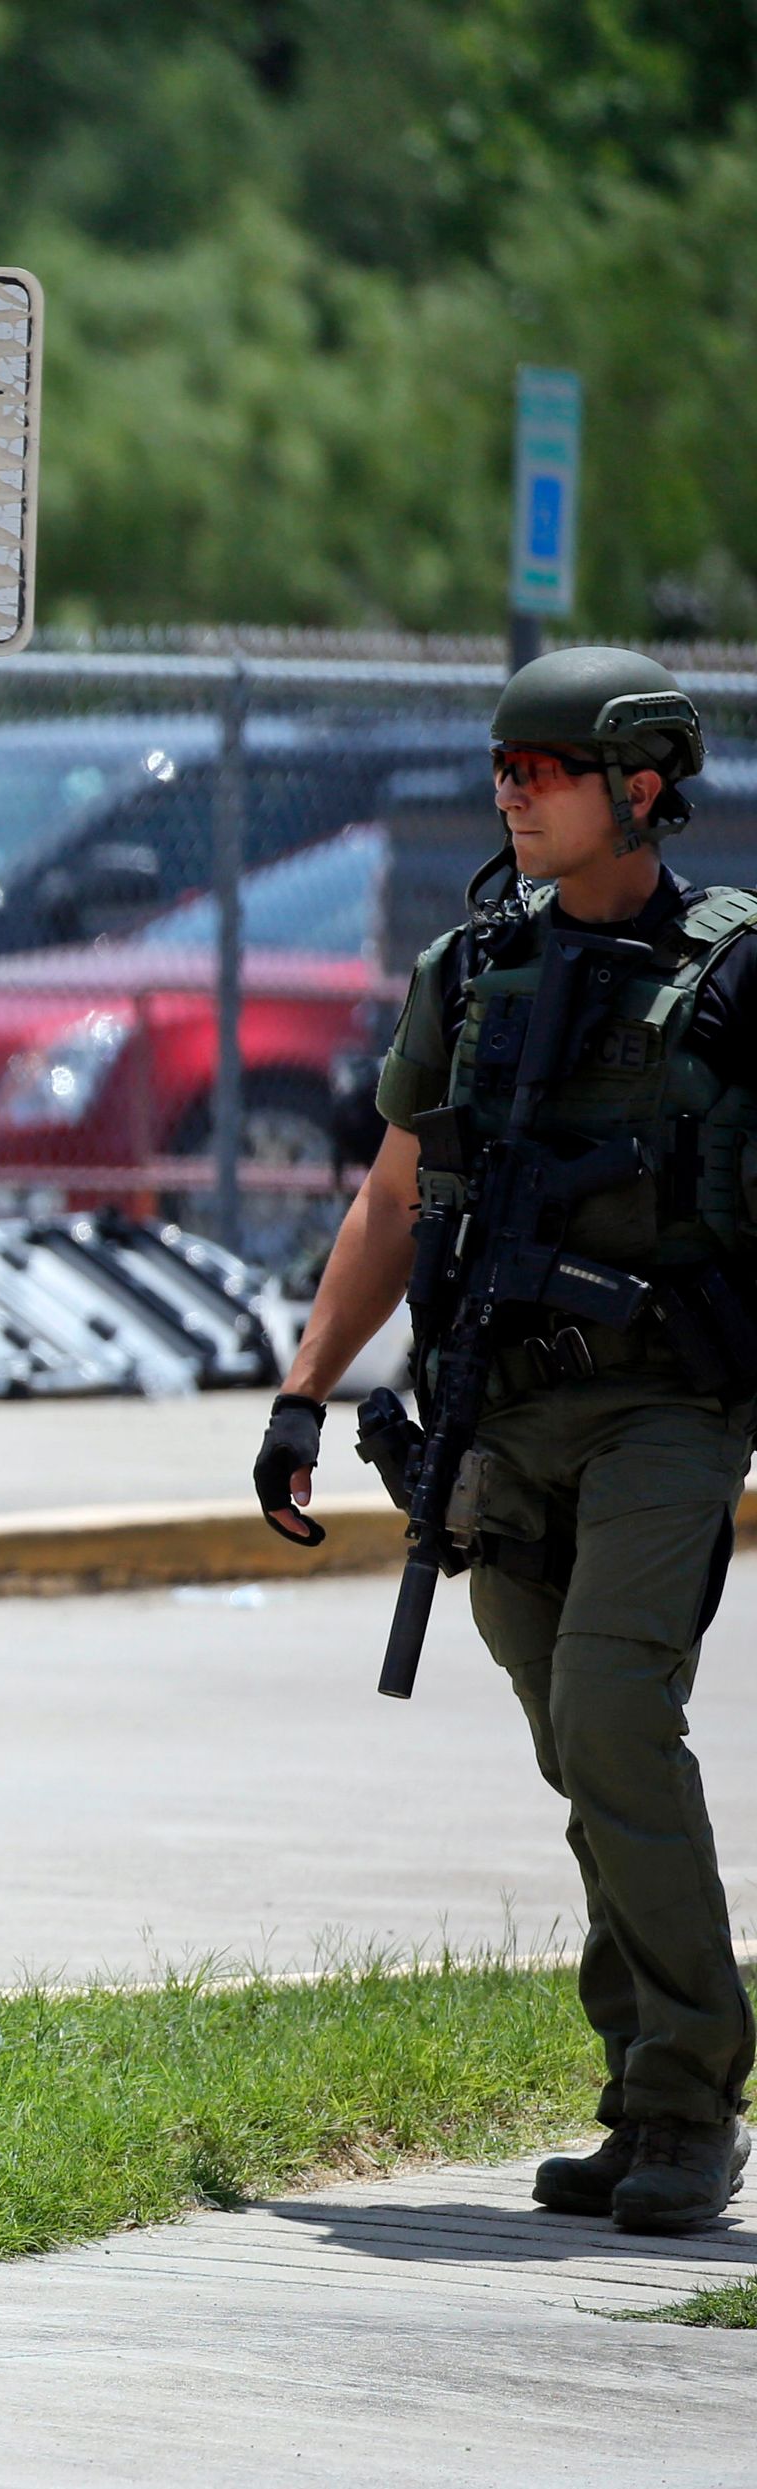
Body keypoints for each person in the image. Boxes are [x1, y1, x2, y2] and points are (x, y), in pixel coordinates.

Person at [258, 644, 752, 2237]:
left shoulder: (741, 974)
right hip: (503, 1407)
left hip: (672, 1399)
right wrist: (305, 1389)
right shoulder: (469, 971)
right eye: (502, 768)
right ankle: (641, 2091)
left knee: (615, 1715)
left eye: (541, 769)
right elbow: (396, 1192)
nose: (510, 793)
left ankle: (690, 2097)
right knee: (576, 1750)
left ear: (643, 787)